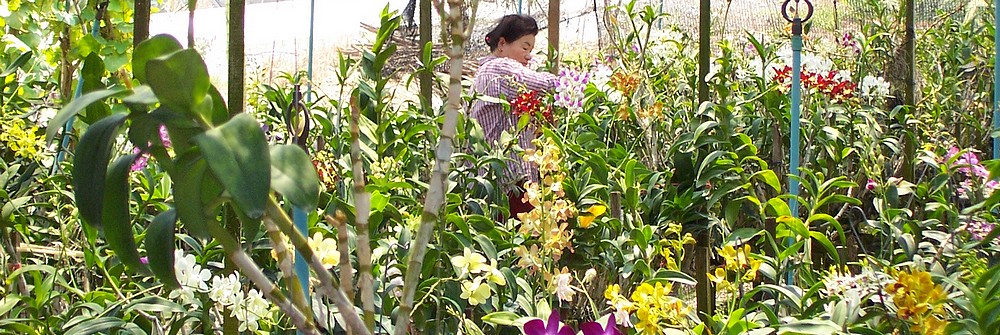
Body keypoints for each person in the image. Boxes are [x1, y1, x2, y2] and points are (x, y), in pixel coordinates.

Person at [469, 14, 557, 219]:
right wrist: (575, 84)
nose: (529, 56)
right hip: (504, 184)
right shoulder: (497, 68)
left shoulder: (486, 72)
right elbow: (542, 83)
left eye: (531, 51)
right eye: (525, 48)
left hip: (502, 182)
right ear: (502, 44)